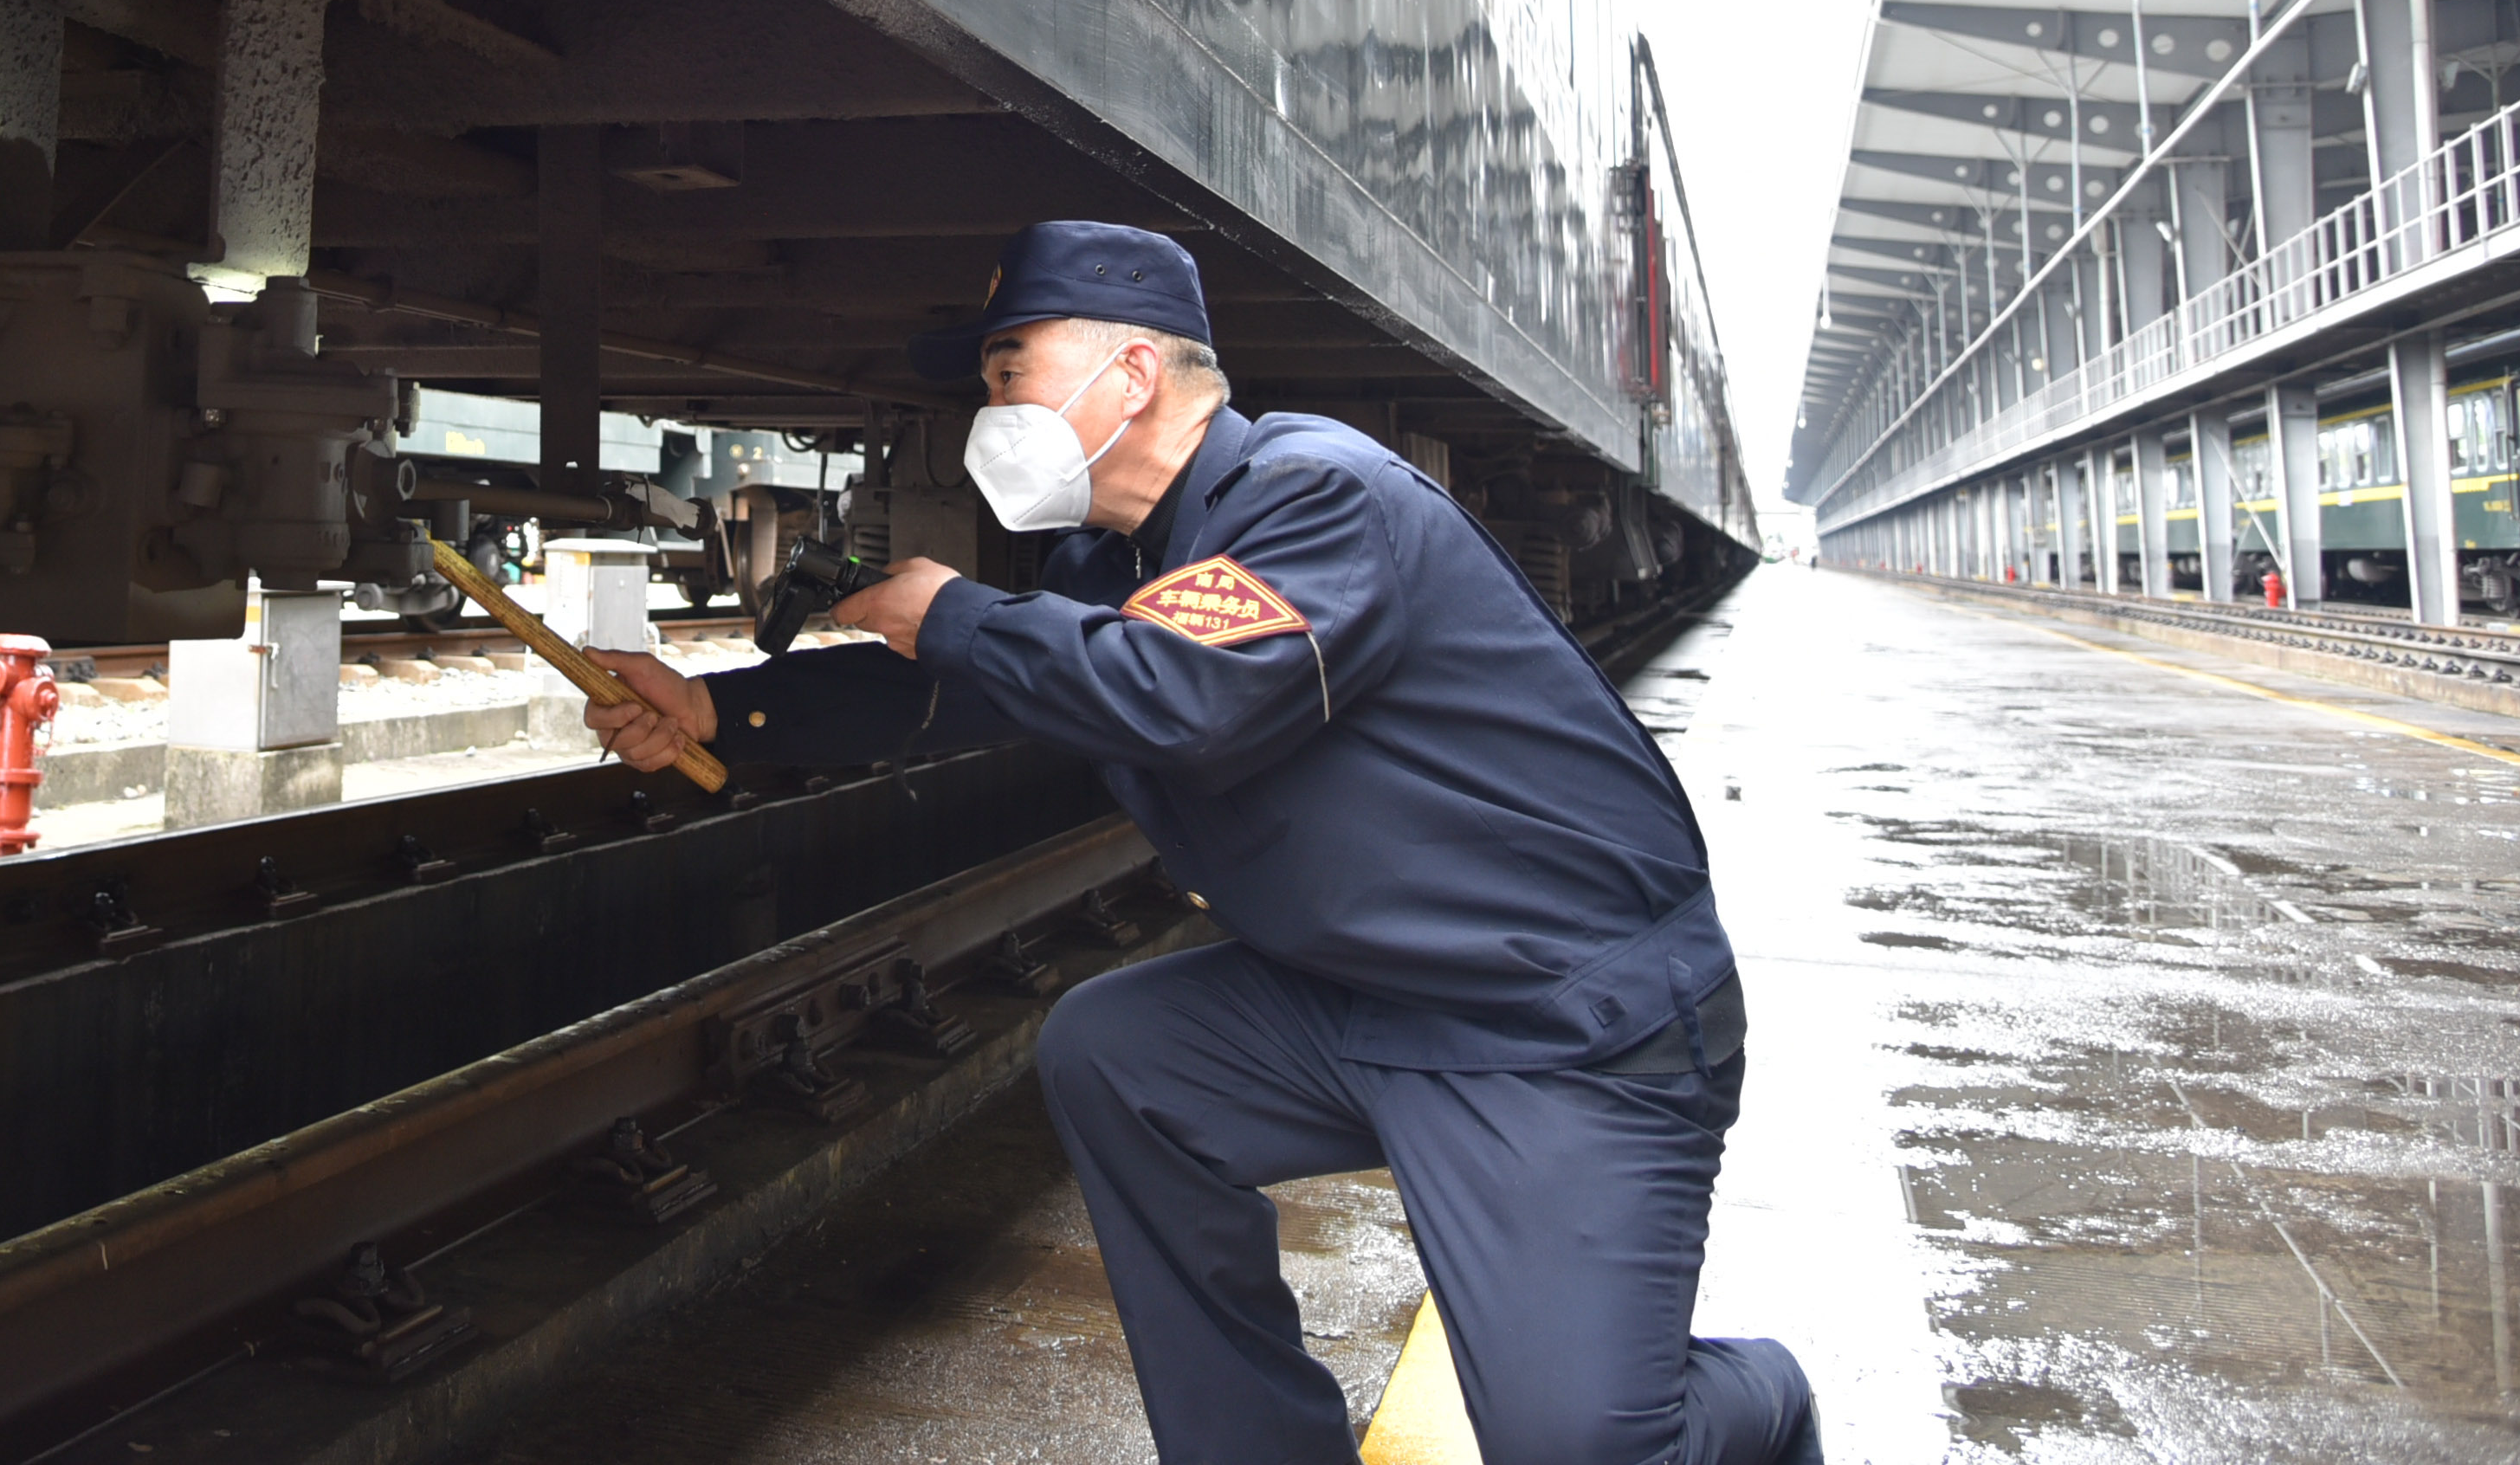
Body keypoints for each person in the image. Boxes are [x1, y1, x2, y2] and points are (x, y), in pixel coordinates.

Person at [584, 220, 1817, 1465]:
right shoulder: (1119, 559)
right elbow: (988, 688)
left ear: (1132, 375)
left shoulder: (1314, 494)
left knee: (1582, 1449)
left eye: (1011, 371)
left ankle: (1764, 1403)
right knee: (1118, 1053)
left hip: (1557, 1024)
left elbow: (1185, 692)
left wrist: (954, 610)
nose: (990, 405)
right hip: (1361, 1001)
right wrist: (721, 710)